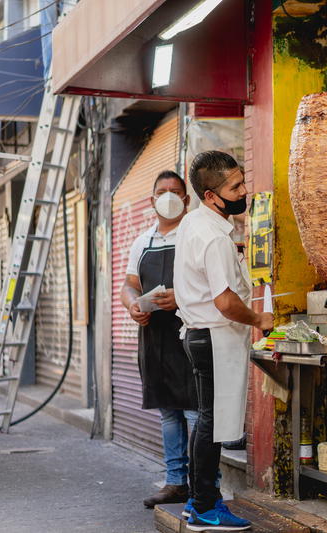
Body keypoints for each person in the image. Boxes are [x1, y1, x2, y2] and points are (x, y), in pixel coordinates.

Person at [174, 151, 274, 532]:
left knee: (206, 422)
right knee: (212, 425)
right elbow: (226, 301)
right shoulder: (215, 237)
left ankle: (198, 500)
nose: (244, 190)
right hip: (214, 336)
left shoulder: (194, 223)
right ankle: (203, 507)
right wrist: (259, 319)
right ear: (211, 195)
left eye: (243, 180)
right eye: (235, 186)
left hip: (200, 335)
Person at [120, 171, 197, 508]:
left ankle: (204, 481)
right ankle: (175, 482)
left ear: (187, 199)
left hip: (190, 334)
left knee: (195, 413)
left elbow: (215, 286)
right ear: (151, 200)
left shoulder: (195, 236)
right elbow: (129, 285)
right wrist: (133, 305)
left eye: (175, 191)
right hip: (154, 337)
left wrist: (181, 297)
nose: (168, 196)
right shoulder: (142, 241)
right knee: (168, 413)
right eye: (162, 191)